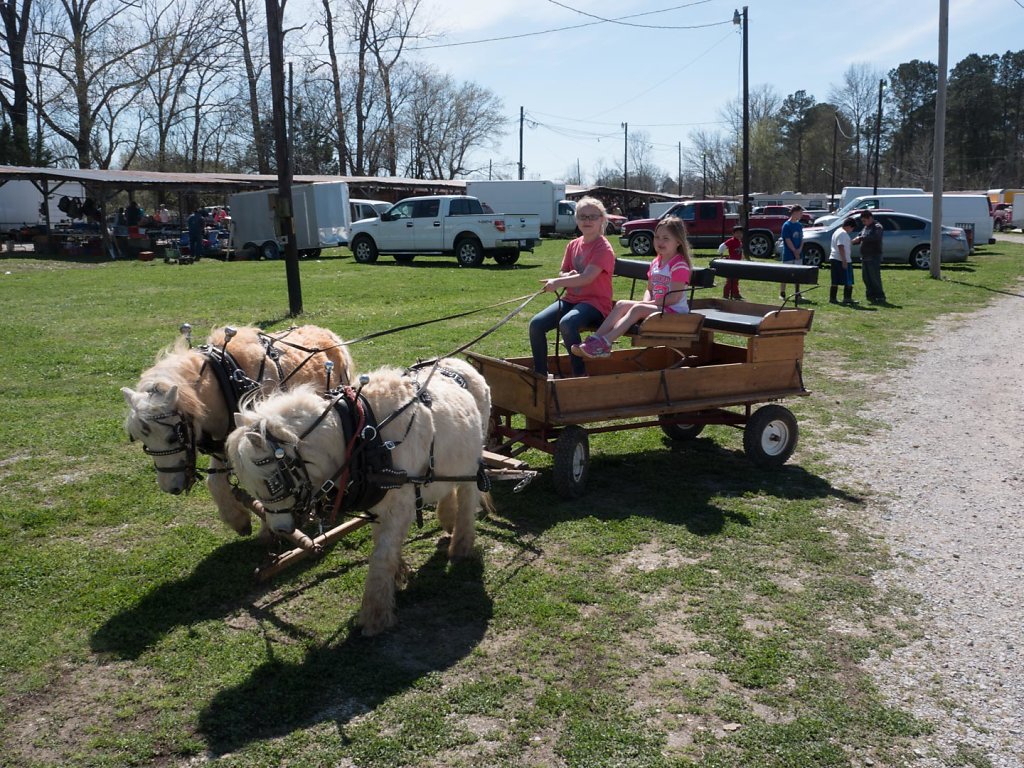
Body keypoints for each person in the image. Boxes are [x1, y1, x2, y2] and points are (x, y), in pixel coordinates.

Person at [573, 216, 692, 359]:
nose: (660, 242)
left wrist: (646, 305)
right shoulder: (655, 262)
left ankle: (605, 343)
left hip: (675, 313)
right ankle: (596, 339)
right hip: (659, 308)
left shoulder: (679, 265)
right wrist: (646, 302)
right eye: (657, 237)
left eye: (666, 238)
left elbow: (674, 298)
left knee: (637, 309)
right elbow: (650, 289)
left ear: (678, 241)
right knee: (622, 304)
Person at [529, 197, 615, 377]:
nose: (587, 221)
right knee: (536, 324)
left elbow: (587, 278)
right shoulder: (573, 245)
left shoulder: (603, 248)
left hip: (595, 304)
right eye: (582, 216)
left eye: (593, 216)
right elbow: (563, 271)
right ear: (576, 219)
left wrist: (558, 282)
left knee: (567, 323)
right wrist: (564, 277)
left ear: (602, 219)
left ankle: (579, 374)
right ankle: (540, 374)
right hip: (571, 300)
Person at [852, 210, 887, 304]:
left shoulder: (877, 227)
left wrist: (861, 238)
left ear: (870, 218)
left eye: (864, 220)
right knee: (866, 277)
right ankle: (870, 295)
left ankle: (880, 296)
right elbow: (860, 235)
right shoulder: (865, 227)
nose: (863, 223)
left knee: (874, 277)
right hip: (865, 256)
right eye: (862, 221)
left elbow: (875, 237)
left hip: (874, 256)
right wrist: (856, 240)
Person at [829, 218, 857, 305]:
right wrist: (844, 260)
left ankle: (832, 298)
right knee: (848, 280)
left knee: (835, 279)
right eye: (852, 229)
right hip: (841, 259)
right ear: (849, 226)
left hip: (834, 258)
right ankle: (847, 298)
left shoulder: (838, 231)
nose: (851, 231)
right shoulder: (843, 233)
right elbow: (841, 246)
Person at [779, 204, 804, 300]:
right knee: (785, 274)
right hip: (789, 254)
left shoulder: (799, 225)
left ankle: (797, 293)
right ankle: (782, 293)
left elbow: (802, 238)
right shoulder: (786, 225)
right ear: (794, 213)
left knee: (798, 274)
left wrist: (800, 250)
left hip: (798, 253)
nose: (801, 215)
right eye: (800, 213)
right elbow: (787, 239)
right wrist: (794, 251)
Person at [717, 224, 748, 299]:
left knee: (736, 280)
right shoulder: (732, 241)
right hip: (731, 264)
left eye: (740, 233)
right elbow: (722, 246)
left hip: (738, 263)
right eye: (737, 233)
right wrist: (721, 254)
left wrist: (743, 258)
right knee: (730, 280)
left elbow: (740, 252)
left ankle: (736, 294)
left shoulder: (739, 242)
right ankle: (726, 295)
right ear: (733, 234)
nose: (739, 234)